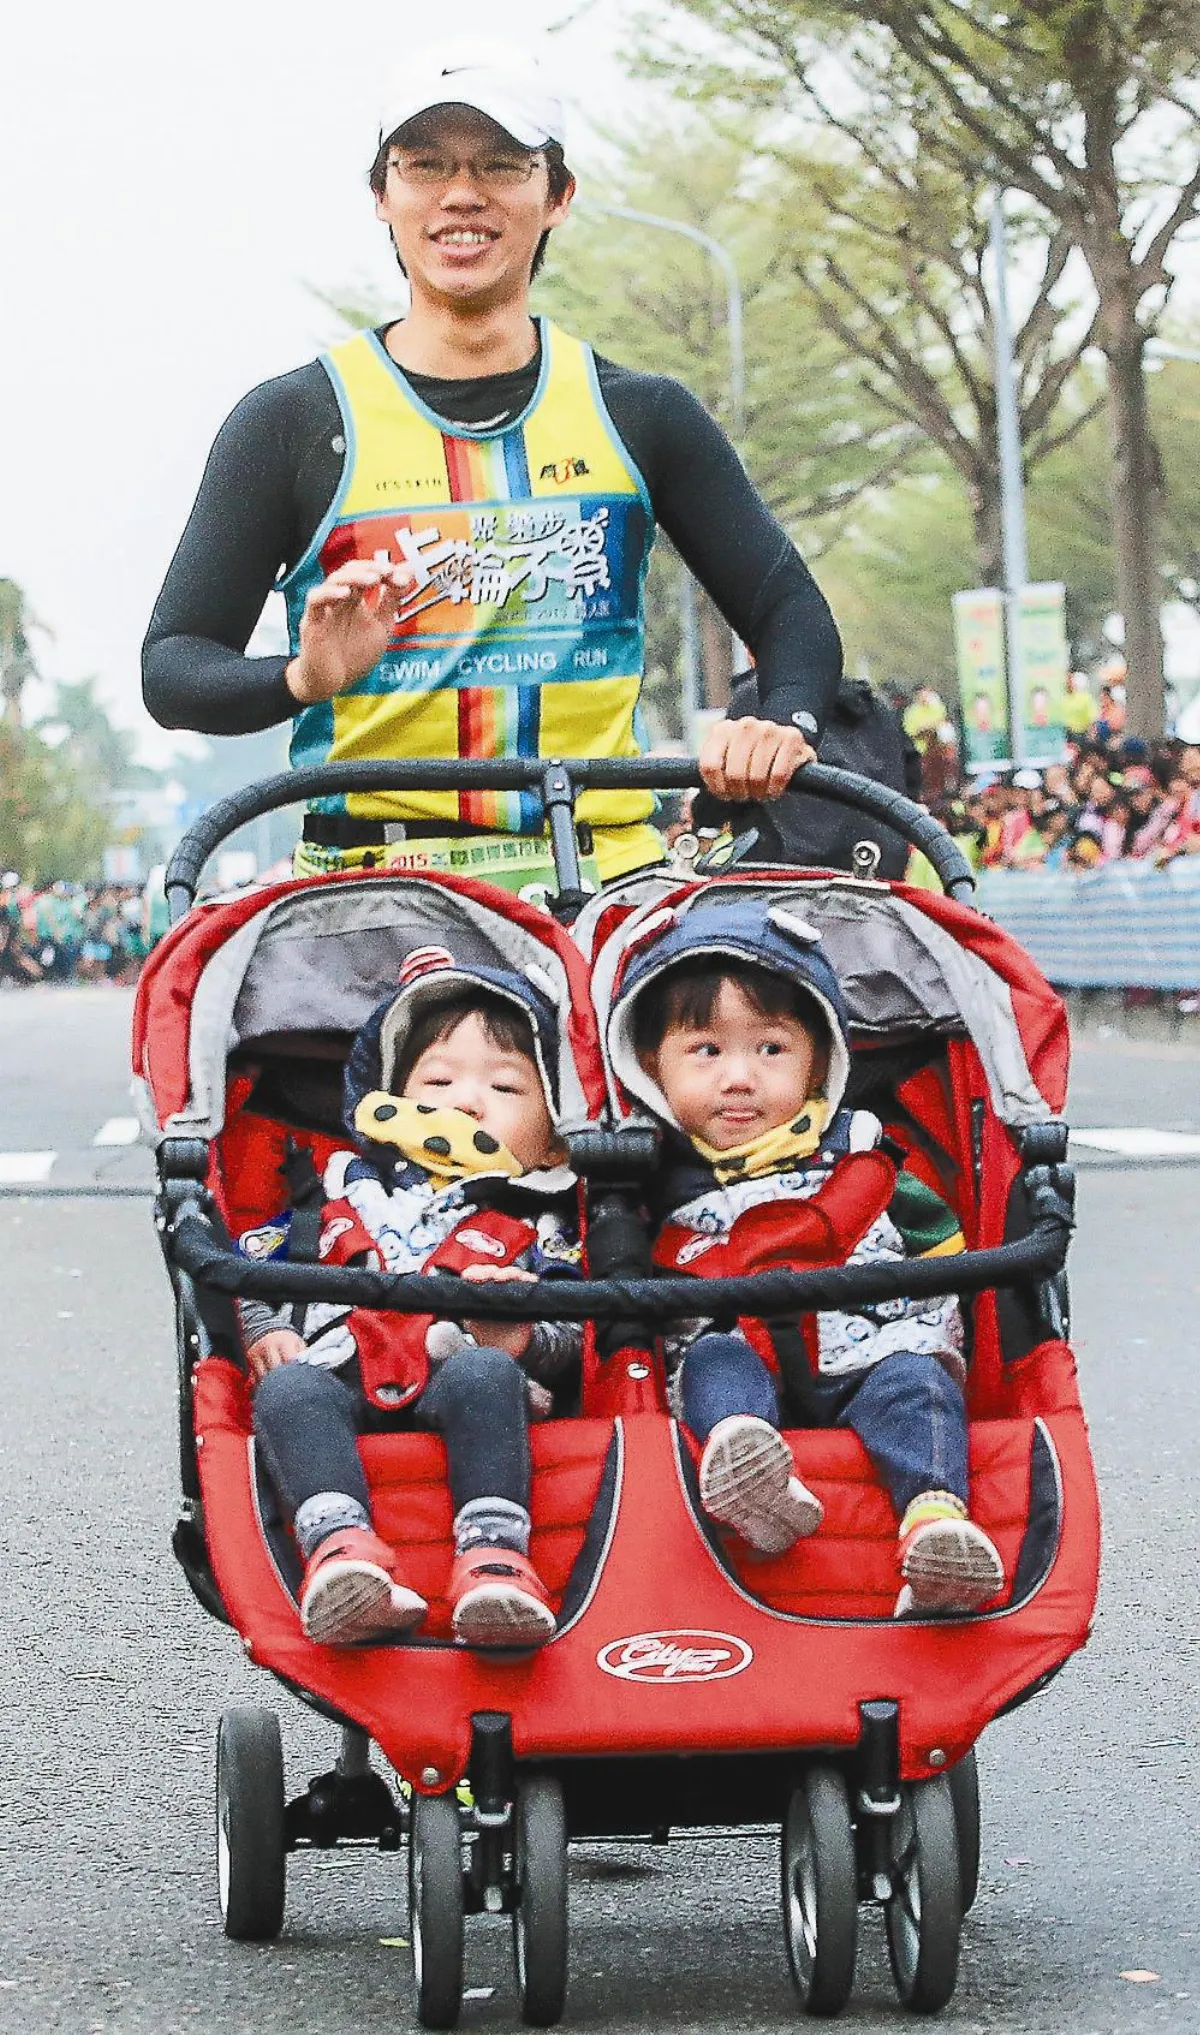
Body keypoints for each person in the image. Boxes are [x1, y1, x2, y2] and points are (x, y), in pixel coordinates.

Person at [141, 40, 841, 889]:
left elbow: (789, 608)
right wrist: (302, 677)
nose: (461, 195)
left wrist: (780, 722)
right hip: (373, 886)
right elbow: (173, 665)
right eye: (425, 166)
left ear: (559, 196)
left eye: (502, 165)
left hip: (606, 881)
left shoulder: (641, 413)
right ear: (381, 194)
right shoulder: (292, 420)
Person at [606, 903, 1005, 1616]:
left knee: (917, 1382)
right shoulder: (647, 1177)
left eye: (770, 1049)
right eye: (706, 1051)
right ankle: (749, 1469)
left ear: (818, 1061)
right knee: (711, 1364)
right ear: (650, 1066)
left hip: (866, 1344)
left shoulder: (861, 1151)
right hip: (738, 1344)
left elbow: (943, 1243)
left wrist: (945, 1319)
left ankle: (936, 1520)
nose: (740, 1078)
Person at [239, 950, 582, 1651]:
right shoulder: (335, 1190)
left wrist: (520, 1335)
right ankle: (340, 1550)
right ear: (387, 1103)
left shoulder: (541, 1217)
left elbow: (580, 1333)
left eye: (506, 1086)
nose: (466, 1100)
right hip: (337, 1359)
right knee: (287, 1388)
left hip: (465, 1370)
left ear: (551, 1142)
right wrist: (265, 1327)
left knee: (486, 1375)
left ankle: (494, 1556)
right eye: (438, 1080)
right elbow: (244, 1269)